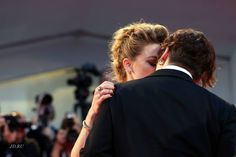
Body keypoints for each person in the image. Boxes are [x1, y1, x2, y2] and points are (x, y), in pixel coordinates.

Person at [79, 28, 236, 157]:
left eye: (156, 61)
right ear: (202, 72)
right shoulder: (223, 111)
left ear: (166, 54)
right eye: (151, 62)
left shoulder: (116, 95)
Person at [71, 22, 169, 157]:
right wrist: (92, 114)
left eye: (163, 63)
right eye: (152, 63)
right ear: (128, 65)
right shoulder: (111, 100)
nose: (159, 69)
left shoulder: (166, 101)